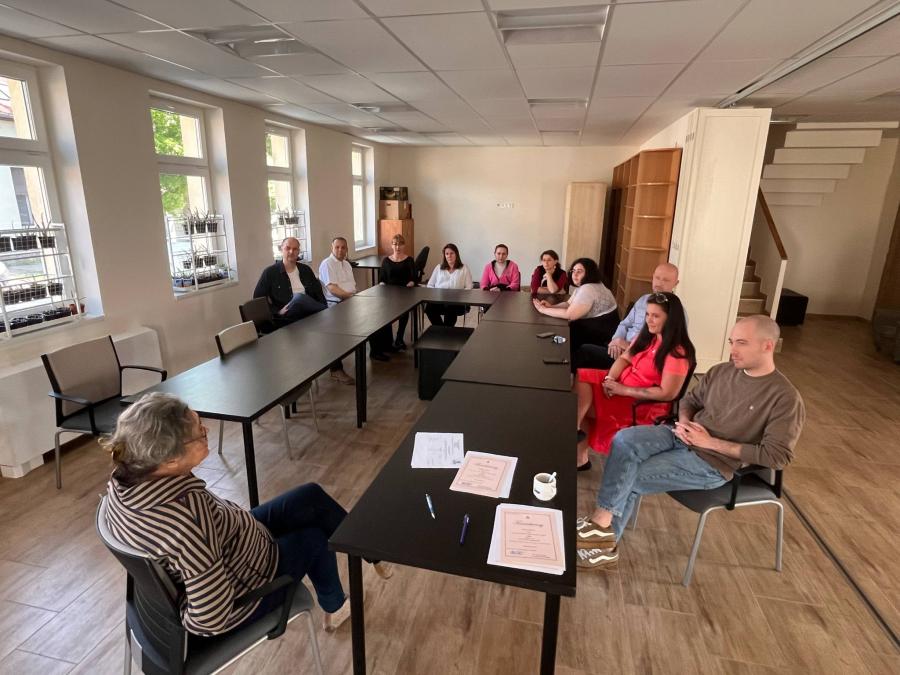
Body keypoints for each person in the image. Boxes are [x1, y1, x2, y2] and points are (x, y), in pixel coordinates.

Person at [101, 393, 393, 636]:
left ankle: (370, 552)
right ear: (171, 459)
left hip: (237, 541)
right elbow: (209, 619)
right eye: (200, 432)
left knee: (310, 496)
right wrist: (181, 618)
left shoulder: (125, 479)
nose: (206, 431)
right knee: (315, 539)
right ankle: (336, 606)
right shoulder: (187, 521)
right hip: (250, 582)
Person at [575, 315, 805, 570]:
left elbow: (778, 456)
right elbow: (690, 401)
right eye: (732, 342)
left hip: (713, 462)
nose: (732, 350)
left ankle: (600, 535)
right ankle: (601, 533)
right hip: (682, 436)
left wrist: (710, 442)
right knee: (624, 439)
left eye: (742, 343)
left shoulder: (784, 397)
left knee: (629, 473)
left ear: (767, 345)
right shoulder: (722, 371)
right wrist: (684, 422)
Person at [575, 292, 694, 471]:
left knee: (581, 404)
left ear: (670, 319)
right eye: (647, 314)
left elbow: (667, 393)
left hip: (642, 404)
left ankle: (576, 441)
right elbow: (624, 358)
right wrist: (610, 378)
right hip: (621, 385)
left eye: (655, 316)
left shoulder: (677, 353)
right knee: (583, 377)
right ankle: (576, 433)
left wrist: (623, 390)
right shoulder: (647, 337)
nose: (649, 320)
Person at [533, 257, 618, 366]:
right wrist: (552, 307)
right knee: (557, 337)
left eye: (579, 271)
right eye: (573, 271)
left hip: (600, 338)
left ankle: (563, 367)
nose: (575, 274)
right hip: (593, 331)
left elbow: (570, 315)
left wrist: (544, 310)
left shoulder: (588, 289)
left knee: (559, 337)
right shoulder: (588, 286)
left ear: (589, 273)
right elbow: (568, 304)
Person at [320, 236, 391, 363]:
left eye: (343, 247)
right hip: (338, 303)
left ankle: (386, 346)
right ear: (332, 248)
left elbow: (352, 286)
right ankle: (376, 351)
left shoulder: (347, 264)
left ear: (347, 249)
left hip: (351, 299)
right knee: (371, 316)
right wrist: (352, 298)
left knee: (382, 308)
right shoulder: (327, 264)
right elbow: (332, 288)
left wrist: (360, 296)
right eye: (337, 247)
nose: (340, 250)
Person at [607, 263, 681, 361]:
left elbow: (663, 348)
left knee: (588, 353)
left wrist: (626, 345)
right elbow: (624, 325)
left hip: (639, 359)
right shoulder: (643, 300)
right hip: (619, 350)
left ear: (676, 283)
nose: (659, 283)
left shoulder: (676, 310)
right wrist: (615, 341)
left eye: (666, 280)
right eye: (657, 278)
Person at [253, 237, 326, 328]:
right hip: (286, 318)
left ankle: (325, 312)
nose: (291, 252)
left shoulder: (306, 270)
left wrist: (321, 305)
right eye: (288, 248)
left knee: (302, 299)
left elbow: (318, 292)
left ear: (298, 252)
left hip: (308, 314)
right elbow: (258, 299)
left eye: (295, 249)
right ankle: (326, 311)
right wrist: (276, 311)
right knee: (299, 298)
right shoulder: (270, 272)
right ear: (281, 249)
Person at [379, 233, 417, 350]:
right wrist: (382, 285)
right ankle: (388, 341)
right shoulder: (386, 261)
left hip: (405, 293)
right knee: (385, 312)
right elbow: (382, 279)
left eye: (400, 244)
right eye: (395, 244)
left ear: (404, 246)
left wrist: (412, 282)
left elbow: (414, 278)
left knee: (404, 311)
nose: (397, 247)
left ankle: (399, 337)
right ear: (391, 245)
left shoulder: (409, 260)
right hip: (389, 294)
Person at [425, 243, 473, 327]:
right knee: (429, 308)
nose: (449, 256)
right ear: (444, 255)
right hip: (439, 300)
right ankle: (442, 329)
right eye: (447, 254)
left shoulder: (464, 268)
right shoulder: (439, 267)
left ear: (456, 254)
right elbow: (430, 285)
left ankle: (446, 330)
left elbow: (469, 287)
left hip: (457, 302)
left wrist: (459, 295)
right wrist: (436, 294)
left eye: (452, 253)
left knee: (450, 308)